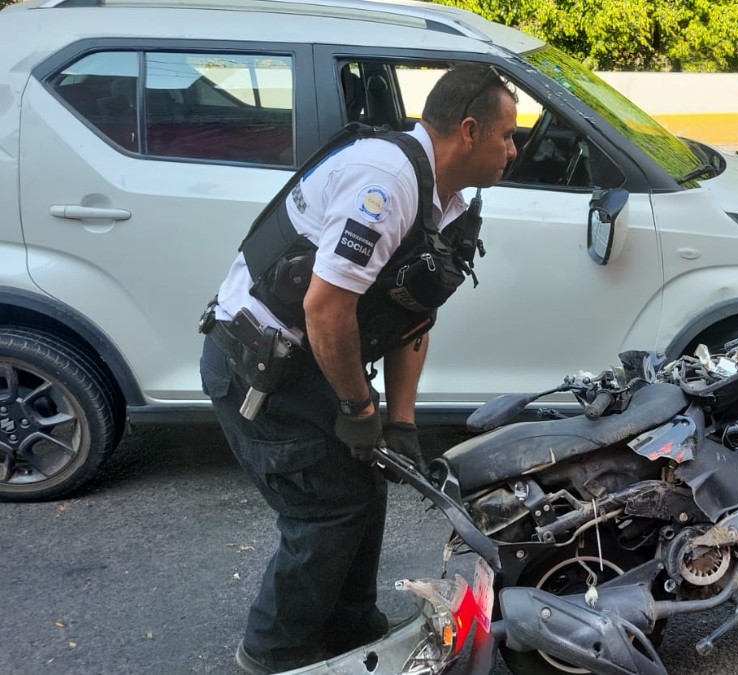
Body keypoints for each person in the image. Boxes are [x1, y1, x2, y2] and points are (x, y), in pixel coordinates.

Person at [198, 64, 518, 673]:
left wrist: (398, 422)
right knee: (324, 510)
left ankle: (352, 633)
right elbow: (325, 307)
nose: (514, 149)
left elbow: (412, 313)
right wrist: (357, 408)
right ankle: (273, 655)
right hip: (260, 365)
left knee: (364, 487)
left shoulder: (445, 200)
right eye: (506, 135)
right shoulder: (386, 180)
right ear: (470, 132)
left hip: (313, 355)